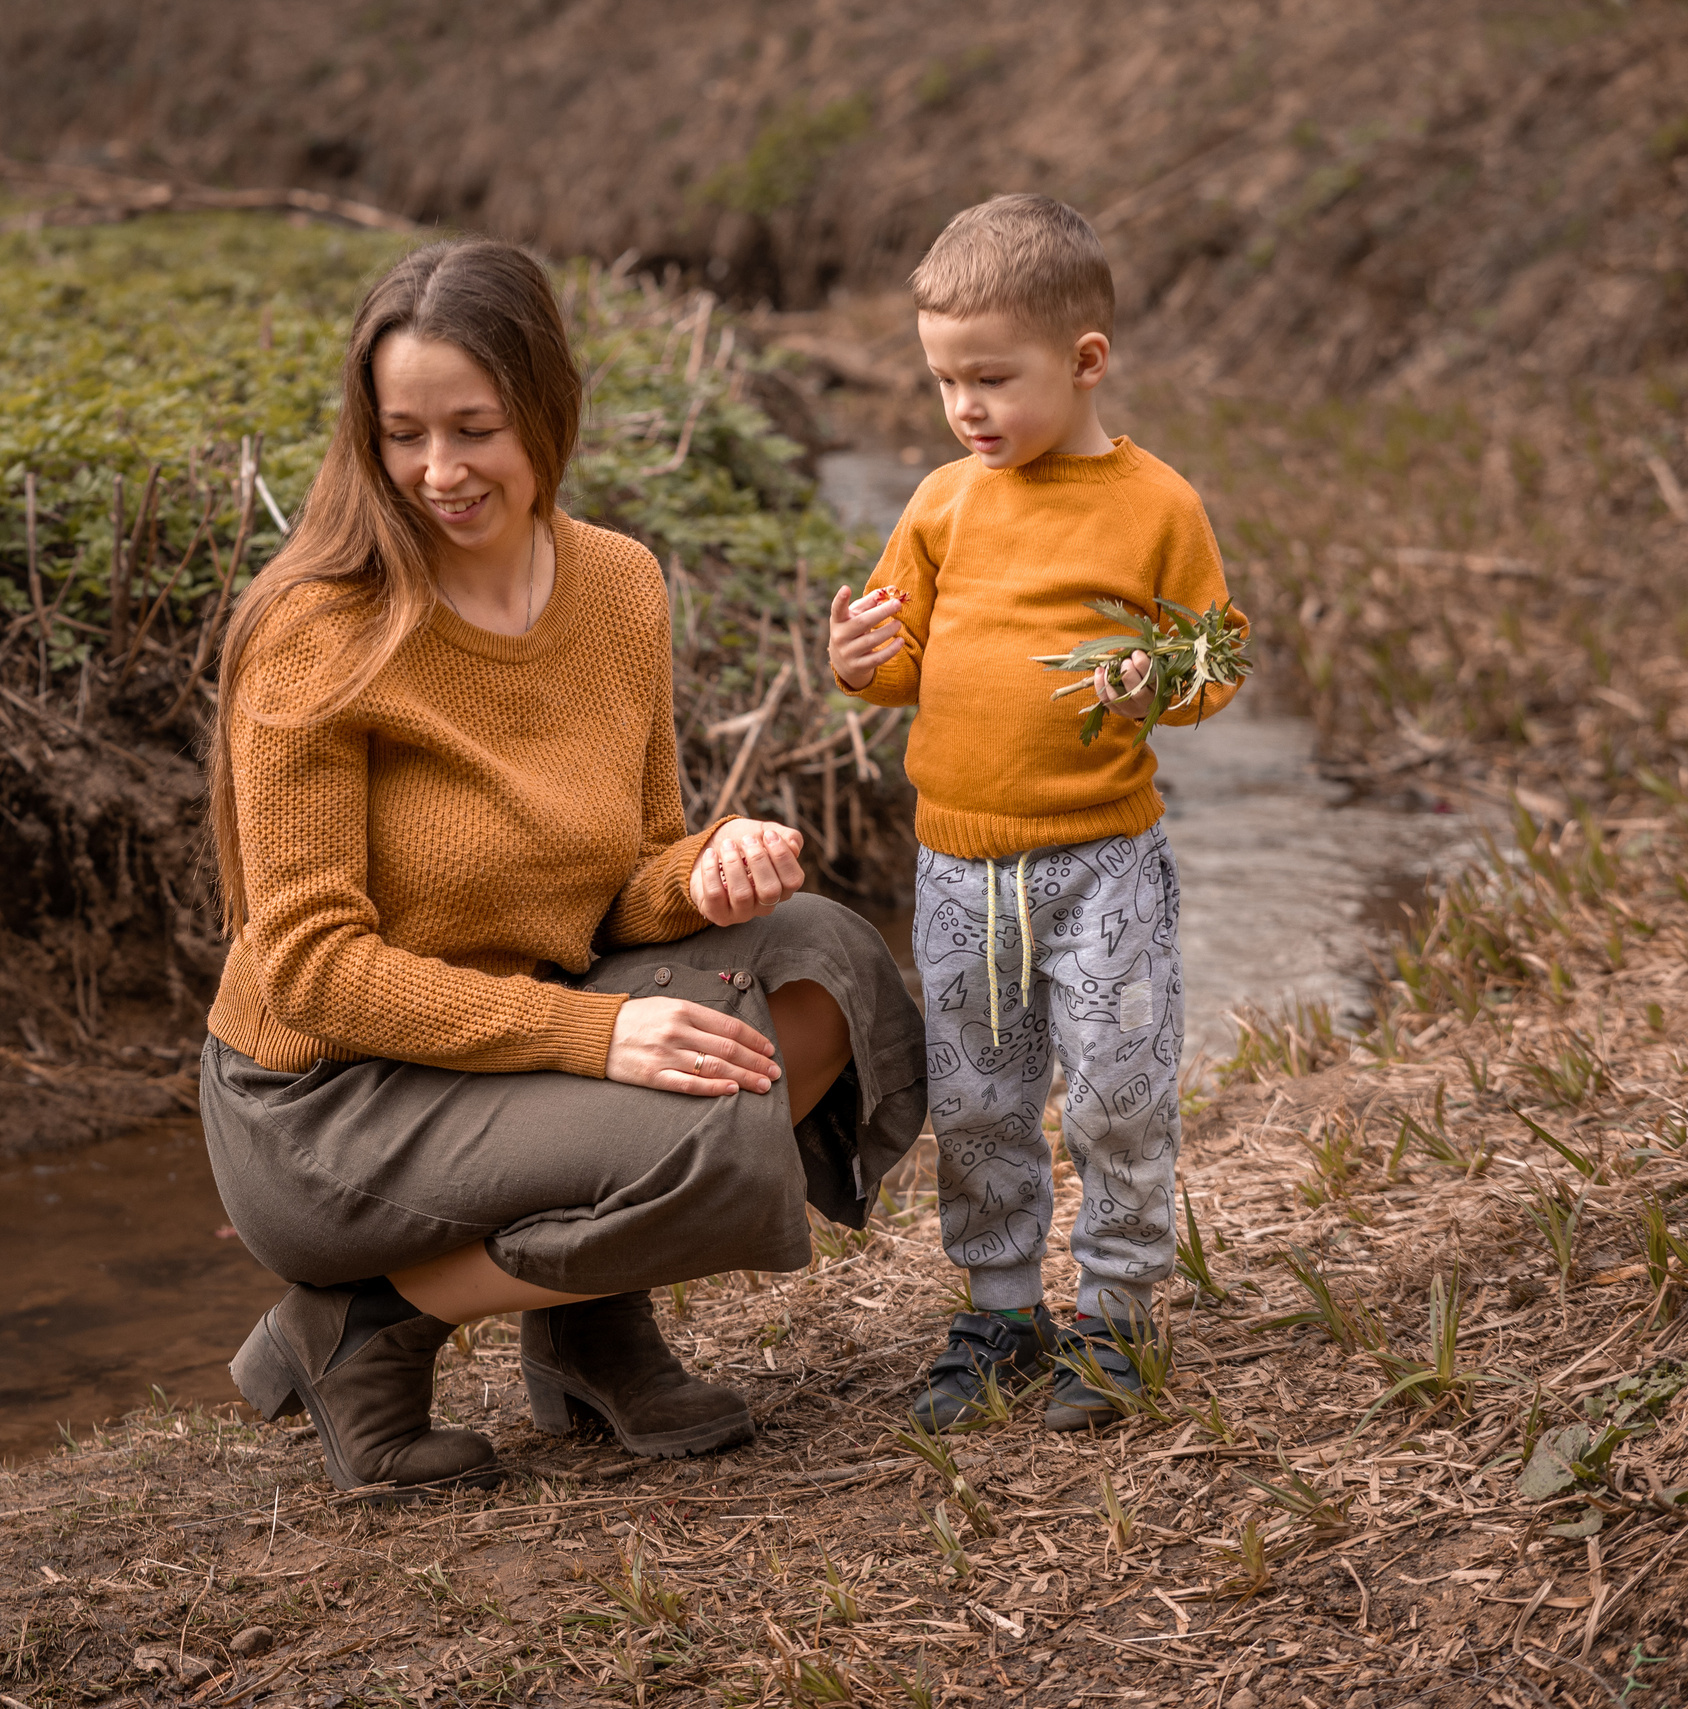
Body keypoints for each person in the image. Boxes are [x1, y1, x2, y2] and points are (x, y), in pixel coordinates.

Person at [201, 238, 926, 1495]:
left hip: (514, 1045)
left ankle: (588, 1328)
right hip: (331, 1102)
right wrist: (601, 1039)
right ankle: (366, 1323)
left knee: (826, 964)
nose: (439, 471)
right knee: (699, 1125)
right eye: (403, 433)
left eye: (474, 426)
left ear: (545, 406)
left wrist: (703, 877)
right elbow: (312, 971)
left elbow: (628, 875)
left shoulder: (616, 581)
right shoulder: (320, 628)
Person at [825, 193, 1249, 1432]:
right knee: (977, 1098)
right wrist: (859, 656)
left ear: (1084, 361)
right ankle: (1003, 1304)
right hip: (961, 870)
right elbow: (899, 659)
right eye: (945, 380)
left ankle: (1115, 1312)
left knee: (1118, 1091)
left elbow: (1213, 664)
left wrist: (1152, 679)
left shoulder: (1154, 504)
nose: (965, 408)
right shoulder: (942, 501)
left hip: (1103, 861)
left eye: (991, 379)